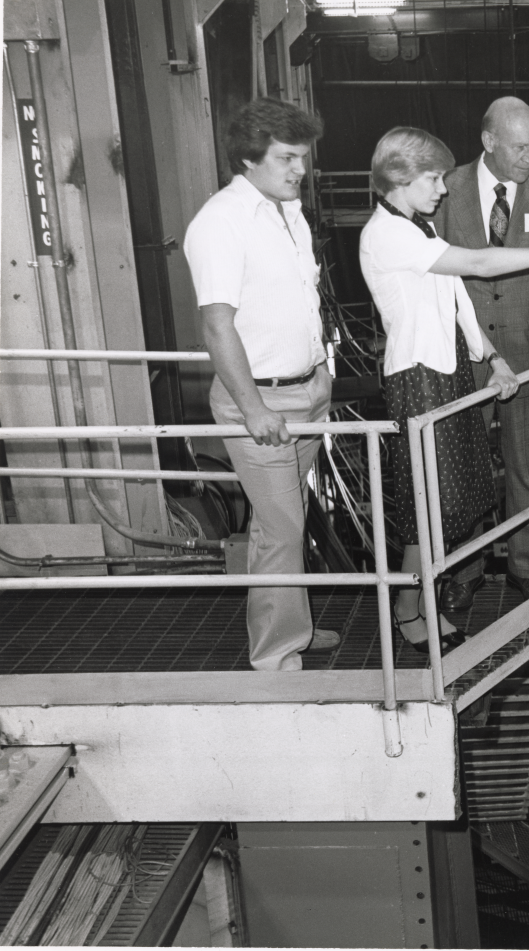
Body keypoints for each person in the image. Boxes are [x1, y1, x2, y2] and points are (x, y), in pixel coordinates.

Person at [358, 126, 529, 652]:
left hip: (447, 370)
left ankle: (417, 603)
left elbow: (458, 300)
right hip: (418, 378)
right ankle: (410, 611)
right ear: (400, 179)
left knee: (450, 500)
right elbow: (475, 265)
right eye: (431, 178)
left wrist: (494, 359)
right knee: (430, 503)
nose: (442, 188)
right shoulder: (387, 234)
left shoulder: (420, 227)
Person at [183, 98, 338, 672]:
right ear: (249, 159)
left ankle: (288, 622)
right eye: (287, 158)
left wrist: (322, 375)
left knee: (284, 519)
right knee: (281, 527)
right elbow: (216, 324)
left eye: (303, 157)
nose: (300, 169)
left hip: (307, 392)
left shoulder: (286, 211)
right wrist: (251, 408)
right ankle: (276, 654)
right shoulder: (221, 222)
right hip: (262, 403)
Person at [431, 96, 529, 611]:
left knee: (520, 469)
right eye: (520, 146)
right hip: (465, 357)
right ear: (489, 142)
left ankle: (524, 569)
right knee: (464, 469)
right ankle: (465, 572)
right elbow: (433, 273)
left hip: (523, 357)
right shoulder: (445, 190)